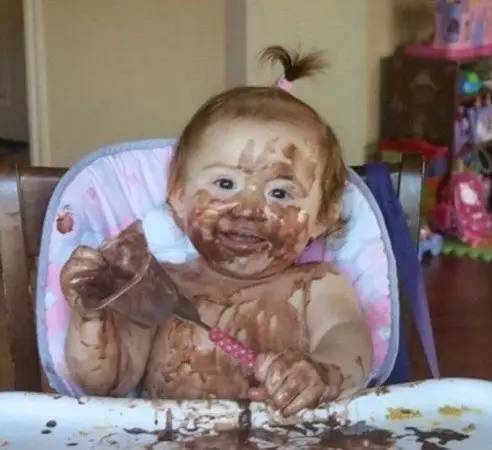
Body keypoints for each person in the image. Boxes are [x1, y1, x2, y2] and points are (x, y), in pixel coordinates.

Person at [61, 46, 372, 417]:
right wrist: (92, 317)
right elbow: (106, 383)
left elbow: (349, 340)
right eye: (225, 184)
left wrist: (322, 373)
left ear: (323, 216)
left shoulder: (315, 286)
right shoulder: (161, 286)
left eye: (280, 193)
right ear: (179, 196)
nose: (248, 209)